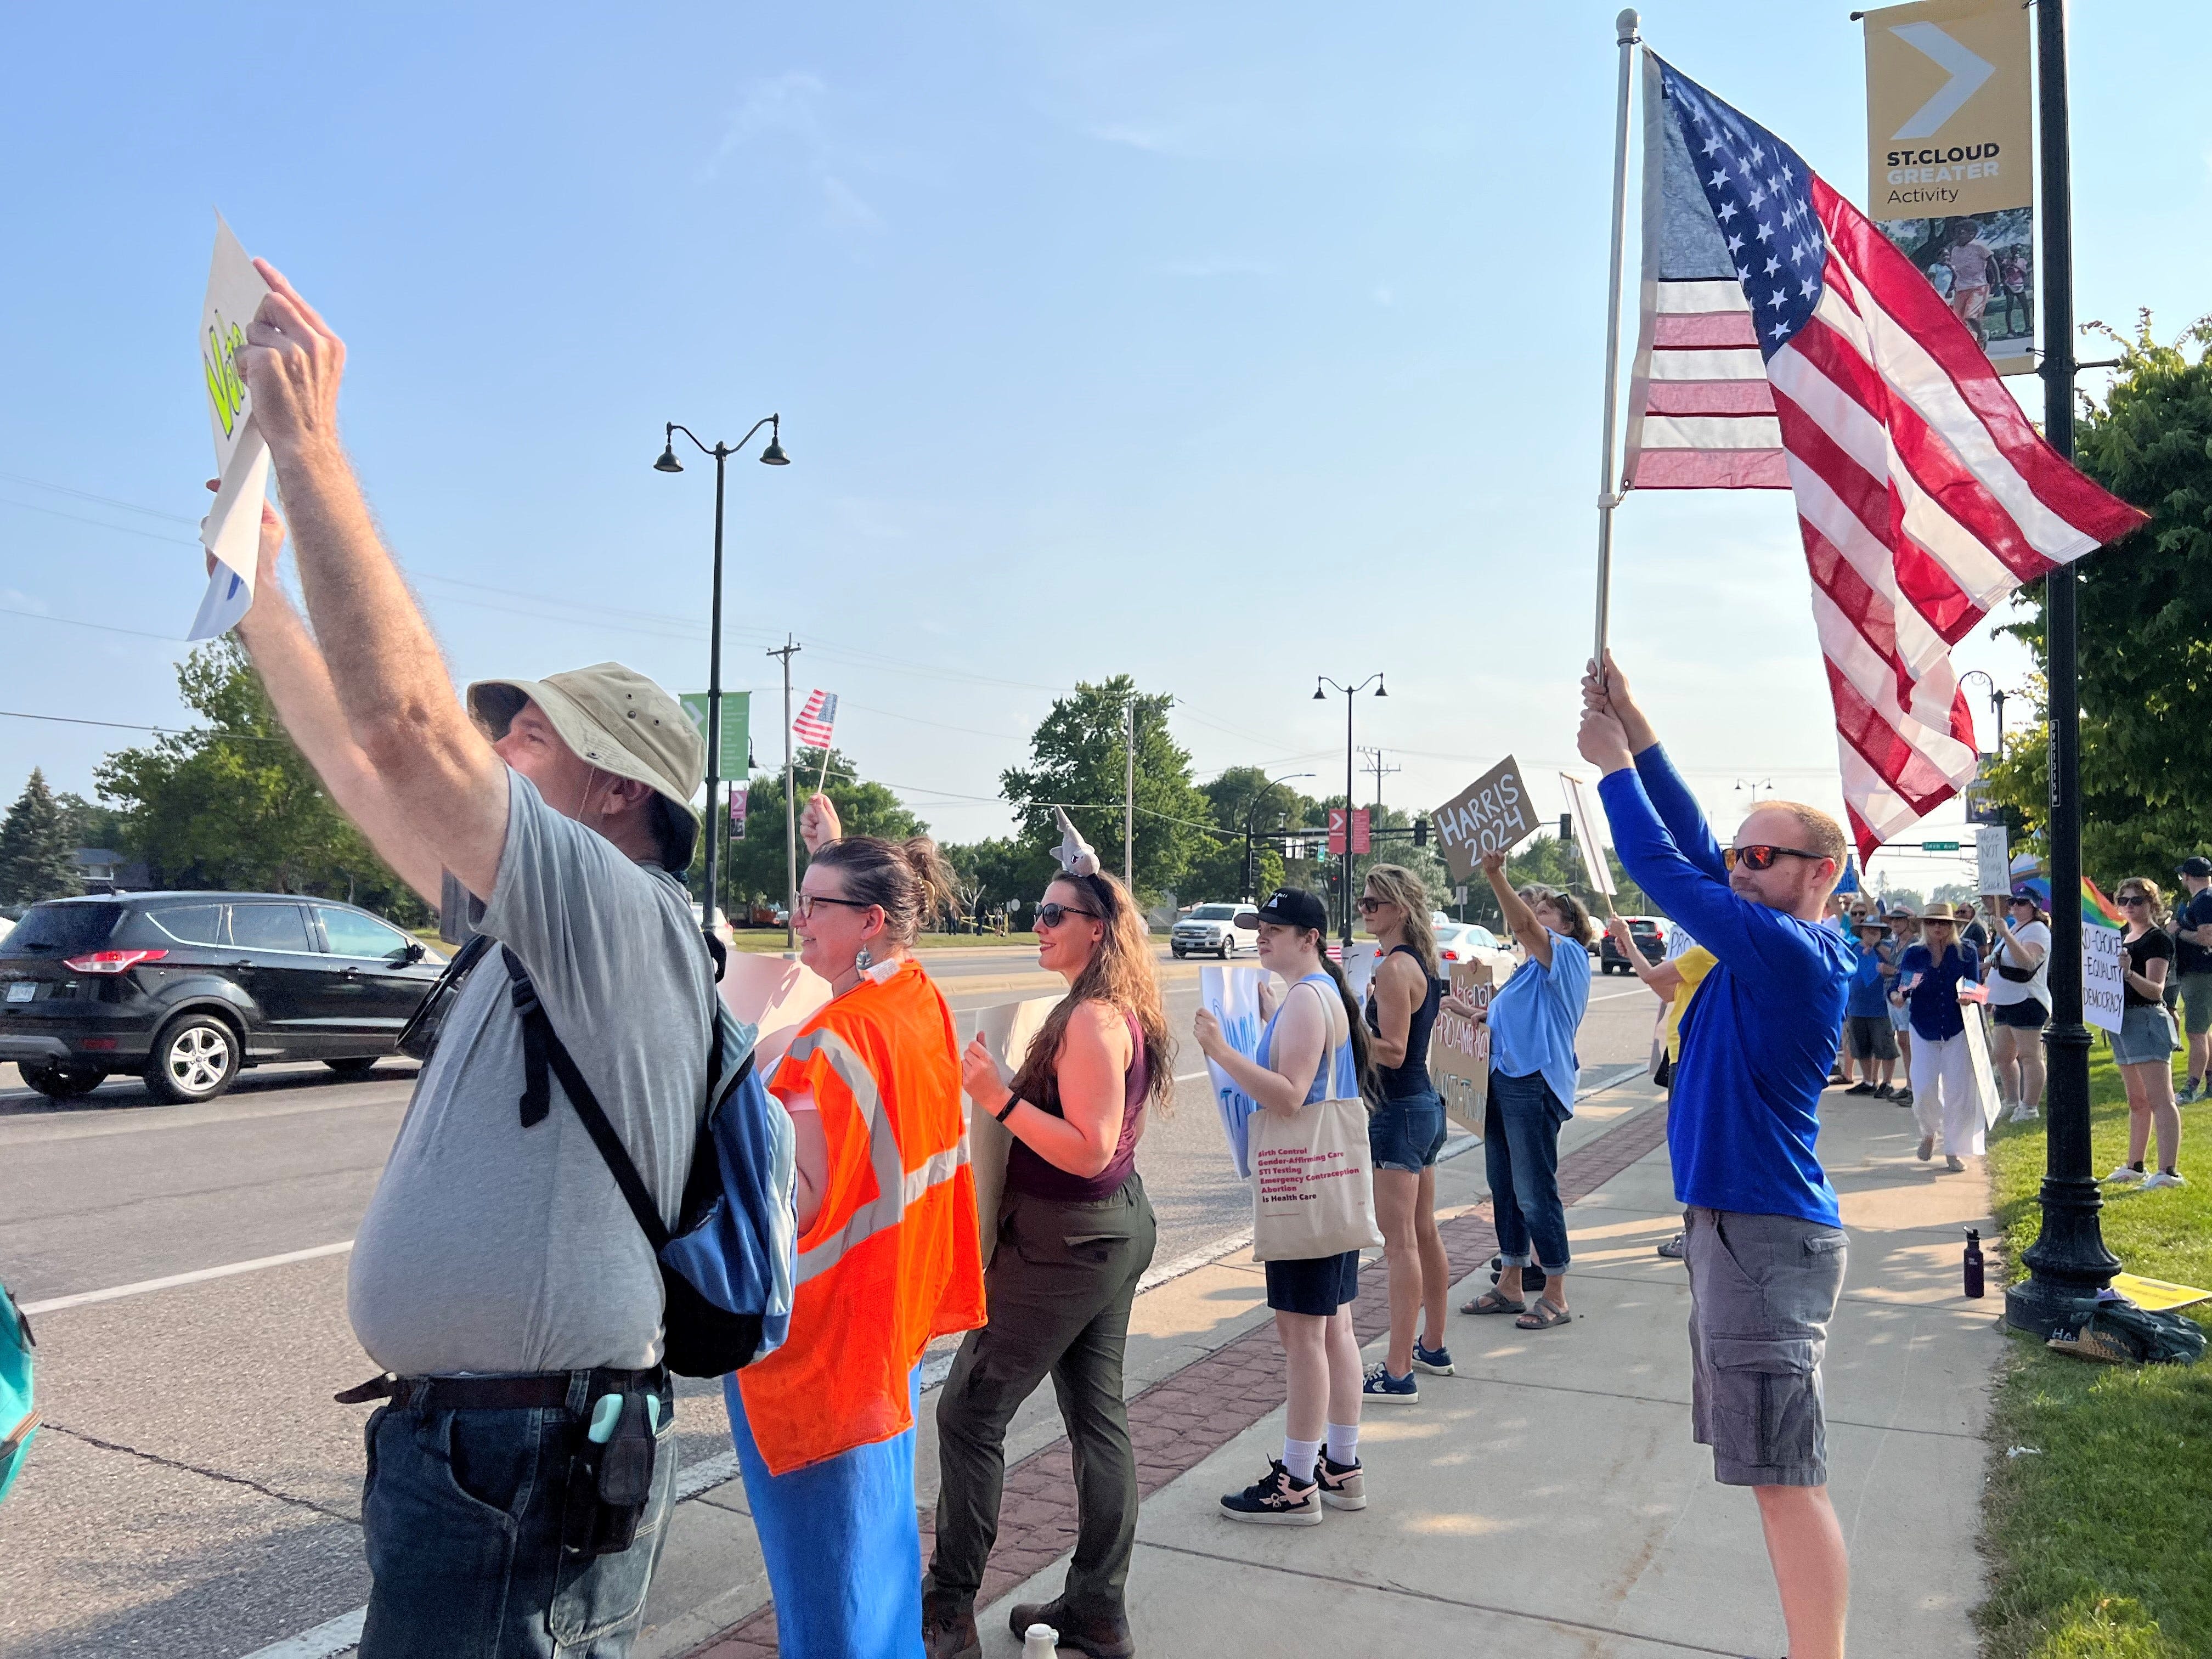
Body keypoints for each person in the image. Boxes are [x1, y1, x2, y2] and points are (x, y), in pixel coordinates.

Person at [225, 265, 708, 1657]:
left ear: (618, 793)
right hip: (480, 1453)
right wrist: (258, 594)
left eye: (530, 741)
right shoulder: (532, 922)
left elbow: (411, 742)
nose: (496, 756)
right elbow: (364, 766)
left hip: (526, 1457)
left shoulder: (620, 919)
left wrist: (311, 448)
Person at [1581, 653, 1855, 1659]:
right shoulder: (1761, 934)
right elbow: (1693, 843)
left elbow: (1665, 866)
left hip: (1763, 1233)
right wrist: (1638, 728)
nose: (1738, 868)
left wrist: (1612, 770)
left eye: (1762, 857)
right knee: (1772, 1468)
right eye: (1739, 856)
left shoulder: (1795, 951)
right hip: (1736, 1227)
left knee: (1785, 1473)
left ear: (1819, 871)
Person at [729, 798, 985, 1659]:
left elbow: (788, 1208)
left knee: (827, 1588)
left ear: (872, 921)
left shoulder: (825, 1046)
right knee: (877, 1569)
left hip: (820, 1345)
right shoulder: (918, 1004)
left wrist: (731, 1091)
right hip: (892, 1326)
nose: (796, 920)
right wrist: (831, 854)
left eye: (814, 906)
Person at [926, 819, 1170, 1659]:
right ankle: (1096, 1612)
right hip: (1101, 1235)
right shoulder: (1101, 1005)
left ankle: (948, 1609)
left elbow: (1091, 1147)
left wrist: (996, 1096)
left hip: (1069, 1242)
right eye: (1039, 911)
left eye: (1054, 914)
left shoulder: (1096, 1020)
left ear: (1095, 931)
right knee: (1096, 1416)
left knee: (968, 1414)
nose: (1038, 924)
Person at [1194, 888, 1373, 1525]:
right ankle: (1341, 1465)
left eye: (1278, 928)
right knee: (1336, 1329)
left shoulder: (1306, 1000)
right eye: (1260, 927)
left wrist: (1221, 1052)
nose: (1264, 935)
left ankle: (1298, 1482)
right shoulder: (1318, 994)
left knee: (1303, 1335)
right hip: (1334, 1183)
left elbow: (1290, 1096)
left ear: (1311, 938)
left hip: (1303, 1185)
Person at [1452, 852, 1594, 1333]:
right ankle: (1510, 1283)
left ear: (1570, 924)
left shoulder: (1567, 955)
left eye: (1546, 908)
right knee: (1506, 1189)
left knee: (1536, 1192)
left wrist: (1496, 874)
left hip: (1533, 1083)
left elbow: (1525, 926)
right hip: (1503, 1078)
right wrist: (1472, 1012)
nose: (1534, 914)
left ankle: (1555, 1293)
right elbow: (1511, 1017)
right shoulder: (1528, 970)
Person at [1353, 864, 1454, 1402]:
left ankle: (1397, 1371)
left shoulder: (1396, 968)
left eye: (1373, 903)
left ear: (1400, 909)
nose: (1365, 910)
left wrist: (1345, 1031)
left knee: (1400, 1245)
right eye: (1364, 902)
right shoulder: (1422, 963)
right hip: (1423, 1107)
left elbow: (1391, 1050)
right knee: (1423, 1232)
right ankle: (1432, 1345)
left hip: (1398, 1110)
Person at [1604, 913, 1716, 1259]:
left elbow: (1652, 977)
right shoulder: (1704, 955)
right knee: (1689, 1147)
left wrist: (1629, 940)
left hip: (1688, 1056)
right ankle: (1697, 1231)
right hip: (1684, 1054)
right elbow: (1666, 989)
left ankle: (1695, 1233)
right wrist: (1631, 949)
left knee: (1689, 1149)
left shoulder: (1706, 953)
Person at [2104, 879, 2186, 1189]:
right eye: (2122, 900)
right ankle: (2135, 1165)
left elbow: (2156, 991)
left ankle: (2169, 1170)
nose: (2128, 907)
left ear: (2152, 903)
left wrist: (2128, 973)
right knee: (2136, 1099)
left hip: (2146, 1019)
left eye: (2136, 901)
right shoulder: (2121, 937)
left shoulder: (2158, 940)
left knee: (2160, 1098)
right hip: (2120, 1020)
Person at [1894, 902, 1983, 1173]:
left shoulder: (1966, 952)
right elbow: (1903, 986)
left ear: (1952, 926)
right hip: (1923, 1027)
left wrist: (1969, 997)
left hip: (1957, 1029)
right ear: (1924, 925)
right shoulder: (1915, 954)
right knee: (1922, 1089)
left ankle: (1953, 1149)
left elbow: (1976, 987)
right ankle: (1929, 1132)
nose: (1938, 928)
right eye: (1932, 923)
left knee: (1958, 1091)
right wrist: (1898, 996)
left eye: (1943, 923)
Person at [1983, 894, 2050, 1122]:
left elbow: (2028, 962)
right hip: (2004, 1002)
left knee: (2031, 1056)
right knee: (2003, 1055)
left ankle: (2030, 1106)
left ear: (2033, 907)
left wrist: (2006, 935)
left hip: (2027, 1000)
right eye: (2012, 903)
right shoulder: (2015, 930)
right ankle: (2012, 1101)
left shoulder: (2037, 930)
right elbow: (1995, 963)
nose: (2015, 907)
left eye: (2021, 903)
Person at [1841, 917, 1900, 1099]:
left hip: (1880, 1008)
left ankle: (1887, 1083)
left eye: (1876, 931)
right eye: (1868, 930)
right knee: (1861, 1047)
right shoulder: (1853, 949)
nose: (1872, 933)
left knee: (1885, 1046)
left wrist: (1876, 946)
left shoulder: (1887, 950)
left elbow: (1897, 965)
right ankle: (1868, 1081)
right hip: (1856, 1007)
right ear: (1862, 932)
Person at [2172, 856, 2212, 1104]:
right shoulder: (2202, 899)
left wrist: (2178, 931)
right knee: (2204, 1031)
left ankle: (2190, 1087)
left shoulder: (2205, 900)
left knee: (2195, 1033)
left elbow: (2208, 938)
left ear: (2187, 876)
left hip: (2201, 974)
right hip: (2199, 973)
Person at [1883, 909, 1920, 1110]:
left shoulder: (1914, 943)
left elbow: (1914, 972)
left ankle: (1915, 1087)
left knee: (1909, 1042)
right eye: (1892, 920)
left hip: (1907, 997)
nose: (1894, 924)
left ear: (1909, 921)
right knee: (1904, 1043)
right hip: (1894, 993)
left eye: (1899, 920)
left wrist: (1902, 990)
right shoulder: (1896, 942)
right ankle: (1909, 1084)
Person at [1943, 219, 1995, 342]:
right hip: (1961, 288)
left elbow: (1991, 260)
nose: (1957, 236)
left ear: (1972, 234)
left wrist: (1996, 281)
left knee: (1971, 316)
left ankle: (1982, 335)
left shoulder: (1978, 247)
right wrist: (1951, 287)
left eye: (1960, 233)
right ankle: (1969, 339)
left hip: (1978, 287)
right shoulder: (1955, 250)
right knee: (1958, 319)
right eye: (1955, 233)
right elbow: (1957, 271)